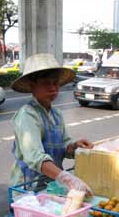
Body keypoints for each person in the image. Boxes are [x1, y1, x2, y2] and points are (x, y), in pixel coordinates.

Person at [10, 53, 94, 197]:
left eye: (55, 83)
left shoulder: (57, 114)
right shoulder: (28, 115)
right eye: (46, 83)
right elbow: (34, 157)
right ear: (32, 86)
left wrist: (74, 146)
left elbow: (64, 147)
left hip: (53, 187)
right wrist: (67, 178)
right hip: (29, 191)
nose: (53, 88)